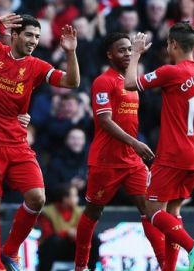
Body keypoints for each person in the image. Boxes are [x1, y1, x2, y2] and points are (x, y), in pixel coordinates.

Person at [0, 13, 80, 271]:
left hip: (17, 143)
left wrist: (70, 52)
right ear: (15, 35)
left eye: (37, 36)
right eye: (29, 35)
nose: (34, 40)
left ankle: (10, 250)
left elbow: (72, 81)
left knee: (37, 198)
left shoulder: (36, 66)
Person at [124, 22, 194, 271]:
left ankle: (192, 246)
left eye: (167, 44)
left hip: (174, 155)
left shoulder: (171, 72)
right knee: (173, 211)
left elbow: (130, 84)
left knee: (153, 210)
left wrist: (137, 54)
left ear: (173, 44)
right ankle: (170, 269)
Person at [73, 33, 160, 271]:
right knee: (93, 211)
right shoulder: (104, 81)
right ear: (109, 54)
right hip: (105, 161)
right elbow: (105, 121)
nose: (127, 54)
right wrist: (135, 143)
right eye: (121, 50)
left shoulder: (131, 83)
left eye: (130, 49)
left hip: (132, 161)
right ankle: (80, 266)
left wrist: (133, 146)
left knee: (149, 209)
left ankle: (166, 265)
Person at [39, 184, 98, 271]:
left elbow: (86, 231)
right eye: (74, 196)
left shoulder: (79, 211)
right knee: (54, 240)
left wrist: (75, 234)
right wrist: (67, 233)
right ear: (65, 199)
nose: (77, 198)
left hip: (73, 248)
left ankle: (91, 268)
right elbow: (48, 235)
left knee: (94, 239)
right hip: (54, 250)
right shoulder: (47, 212)